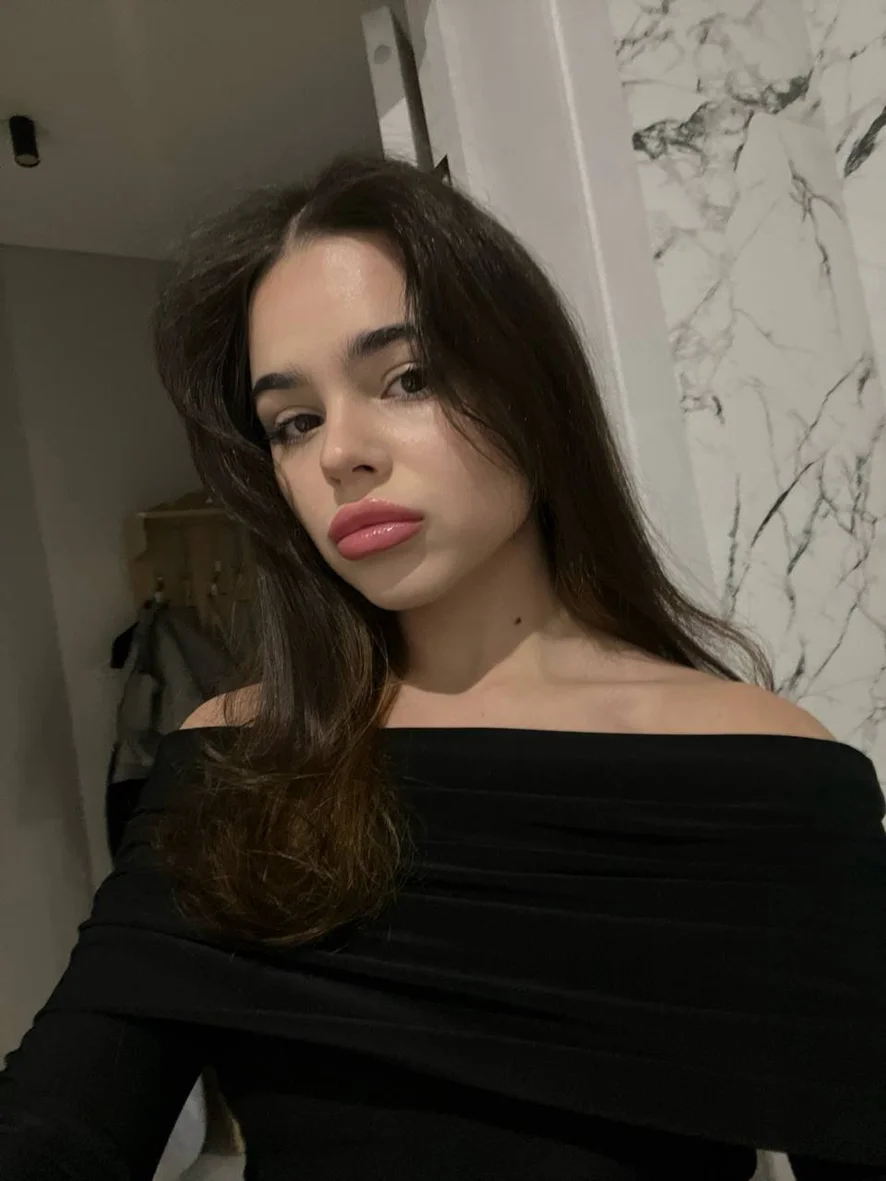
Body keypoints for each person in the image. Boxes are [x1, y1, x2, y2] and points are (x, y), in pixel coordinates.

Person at [1, 157, 883, 1181]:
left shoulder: (763, 773)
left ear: (532, 391)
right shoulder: (235, 762)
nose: (340, 453)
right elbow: (57, 1123)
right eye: (294, 421)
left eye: (407, 378)